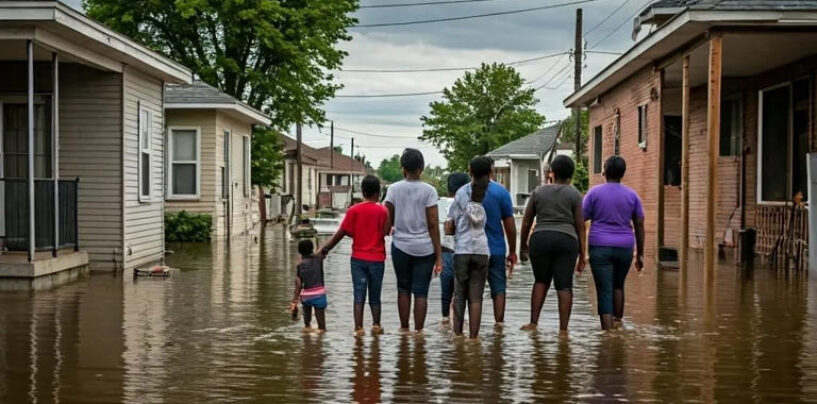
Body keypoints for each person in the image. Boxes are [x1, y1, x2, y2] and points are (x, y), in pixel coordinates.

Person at [519, 155, 585, 334]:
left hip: (540, 239)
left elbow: (526, 222)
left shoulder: (538, 192)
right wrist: (582, 255)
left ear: (551, 174)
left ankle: (533, 323)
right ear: (571, 175)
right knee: (564, 285)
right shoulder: (575, 194)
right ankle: (563, 330)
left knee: (541, 280)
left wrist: (522, 246)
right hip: (567, 240)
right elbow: (580, 227)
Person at [320, 175, 389, 336]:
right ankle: (376, 325)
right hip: (377, 260)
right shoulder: (382, 210)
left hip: (358, 260)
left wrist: (325, 249)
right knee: (375, 295)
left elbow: (342, 233)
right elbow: (386, 231)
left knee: (359, 295)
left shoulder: (353, 210)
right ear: (378, 193)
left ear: (362, 191)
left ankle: (358, 328)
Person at [384, 148, 443, 334]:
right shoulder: (429, 191)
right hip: (425, 247)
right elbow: (433, 225)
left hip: (400, 245)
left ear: (403, 168)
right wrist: (439, 256)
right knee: (421, 291)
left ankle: (404, 329)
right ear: (421, 168)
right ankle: (418, 332)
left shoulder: (393, 189)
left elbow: (388, 220)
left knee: (403, 288)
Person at [582, 156, 645, 331]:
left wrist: (579, 251)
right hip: (625, 247)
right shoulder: (632, 195)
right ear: (623, 173)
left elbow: (581, 218)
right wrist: (640, 254)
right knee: (618, 285)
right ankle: (618, 324)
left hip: (600, 247)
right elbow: (639, 224)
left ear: (604, 171)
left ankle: (608, 333)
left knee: (604, 289)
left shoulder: (594, 193)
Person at [446, 157, 492, 338]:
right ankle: (474, 339)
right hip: (481, 250)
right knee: (476, 298)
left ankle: (457, 336)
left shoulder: (460, 193)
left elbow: (450, 228)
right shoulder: (494, 192)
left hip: (463, 250)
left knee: (459, 296)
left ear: (469, 171)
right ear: (490, 173)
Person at [483, 160, 517, 325]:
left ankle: (470, 329)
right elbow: (510, 225)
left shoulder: (464, 191)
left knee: (472, 289)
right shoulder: (501, 192)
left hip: (472, 250)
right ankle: (499, 325)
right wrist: (512, 250)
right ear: (492, 171)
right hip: (496, 249)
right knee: (499, 287)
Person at [438, 172, 470, 323]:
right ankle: (460, 324)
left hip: (444, 253)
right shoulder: (471, 204)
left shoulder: (439, 204)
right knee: (462, 292)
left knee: (446, 292)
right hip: (465, 253)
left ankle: (445, 320)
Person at [290, 239, 328, 333]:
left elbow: (298, 285)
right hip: (319, 295)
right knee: (322, 329)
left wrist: (294, 302)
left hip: (306, 297)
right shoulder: (319, 259)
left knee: (307, 327)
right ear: (312, 249)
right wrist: (319, 250)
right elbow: (325, 249)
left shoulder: (300, 266)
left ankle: (307, 339)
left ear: (299, 251)